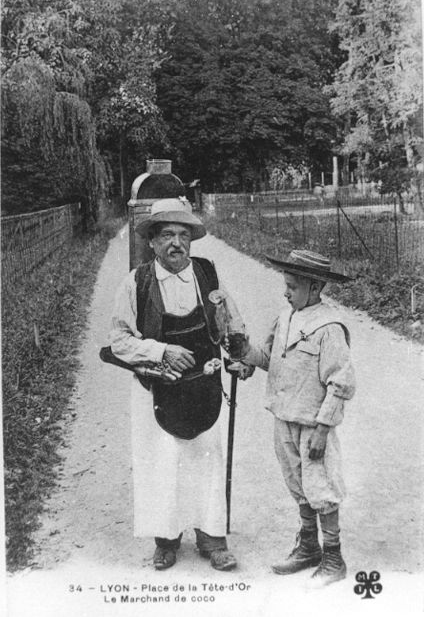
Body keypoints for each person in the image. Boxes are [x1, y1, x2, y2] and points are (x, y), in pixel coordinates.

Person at [109, 197, 237, 572]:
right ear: (151, 241)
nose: (176, 244)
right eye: (167, 235)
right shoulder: (137, 282)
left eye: (183, 235)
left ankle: (213, 537)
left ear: (192, 240)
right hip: (157, 389)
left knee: (206, 460)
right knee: (161, 462)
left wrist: (239, 351)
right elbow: (118, 340)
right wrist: (161, 350)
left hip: (204, 388)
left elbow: (231, 321)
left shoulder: (207, 274)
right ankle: (165, 539)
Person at [242, 249, 356, 588]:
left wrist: (324, 428)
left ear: (316, 287)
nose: (286, 292)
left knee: (321, 487)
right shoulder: (285, 318)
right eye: (286, 284)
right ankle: (308, 546)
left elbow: (341, 382)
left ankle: (334, 557)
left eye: (292, 286)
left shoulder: (329, 327)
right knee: (297, 484)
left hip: (312, 425)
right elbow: (266, 358)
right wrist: (242, 352)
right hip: (284, 418)